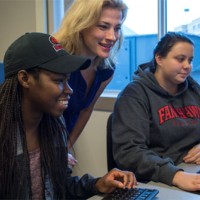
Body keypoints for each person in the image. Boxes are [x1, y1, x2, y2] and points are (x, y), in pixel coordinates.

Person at [0, 32, 137, 199]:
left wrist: (97, 184)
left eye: (68, 80)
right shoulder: (5, 136)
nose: (69, 89)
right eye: (58, 81)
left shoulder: (54, 125)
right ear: (24, 78)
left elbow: (62, 187)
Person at [112, 31, 200, 192]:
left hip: (192, 170)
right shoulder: (134, 95)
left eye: (190, 60)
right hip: (162, 179)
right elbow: (129, 153)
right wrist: (176, 175)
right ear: (159, 59)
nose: (187, 66)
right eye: (180, 59)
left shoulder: (194, 89)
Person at [53, 0, 128, 167]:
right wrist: (51, 153)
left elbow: (86, 110)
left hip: (62, 144)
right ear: (81, 25)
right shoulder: (56, 60)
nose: (112, 37)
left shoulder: (105, 70)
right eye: (103, 26)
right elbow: (34, 117)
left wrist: (66, 148)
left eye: (117, 28)